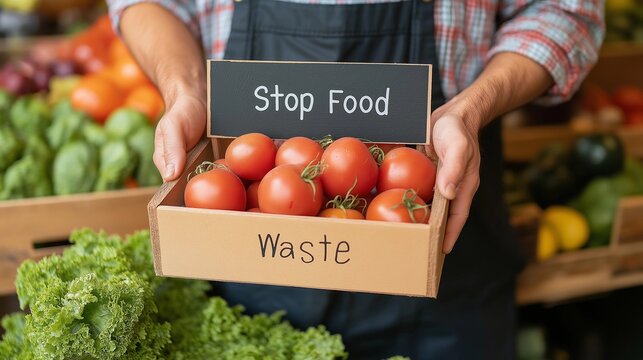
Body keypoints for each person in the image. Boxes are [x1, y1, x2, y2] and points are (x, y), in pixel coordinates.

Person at [107, 1, 604, 358]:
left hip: (446, 264)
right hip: (252, 267)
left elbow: (567, 9)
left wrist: (472, 110)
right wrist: (185, 90)